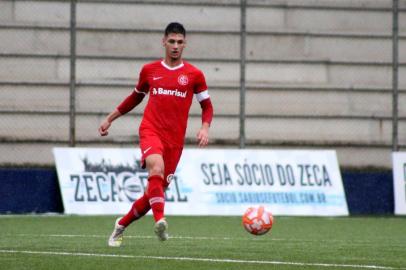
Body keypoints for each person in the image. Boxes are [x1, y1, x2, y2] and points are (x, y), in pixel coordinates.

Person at [98, 22, 214, 246]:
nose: (175, 46)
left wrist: (205, 127)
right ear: (164, 42)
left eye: (180, 42)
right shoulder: (149, 70)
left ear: (185, 44)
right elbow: (135, 97)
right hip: (151, 130)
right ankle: (160, 221)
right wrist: (110, 118)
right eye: (171, 41)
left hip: (174, 140)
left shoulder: (194, 75)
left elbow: (207, 106)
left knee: (155, 191)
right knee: (156, 168)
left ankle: (120, 225)